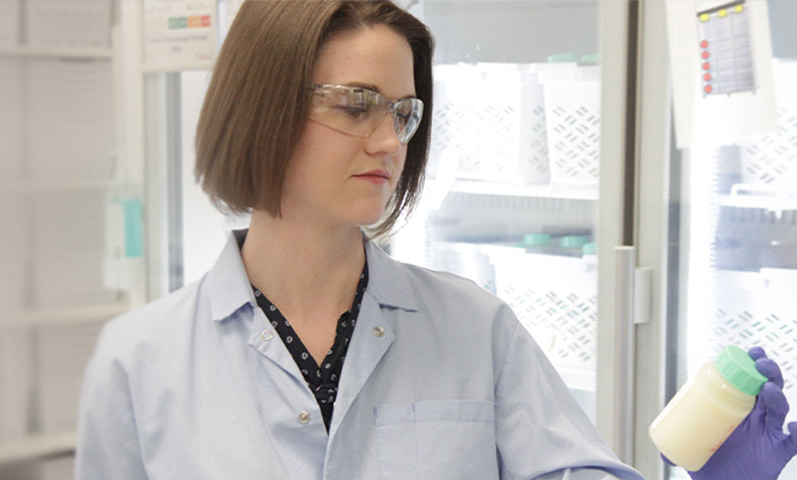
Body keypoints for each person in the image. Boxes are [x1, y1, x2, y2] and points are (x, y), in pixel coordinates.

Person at [75, 1, 796, 479]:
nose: (390, 141)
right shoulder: (140, 362)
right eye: (355, 105)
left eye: (403, 112)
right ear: (262, 107)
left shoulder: (475, 330)